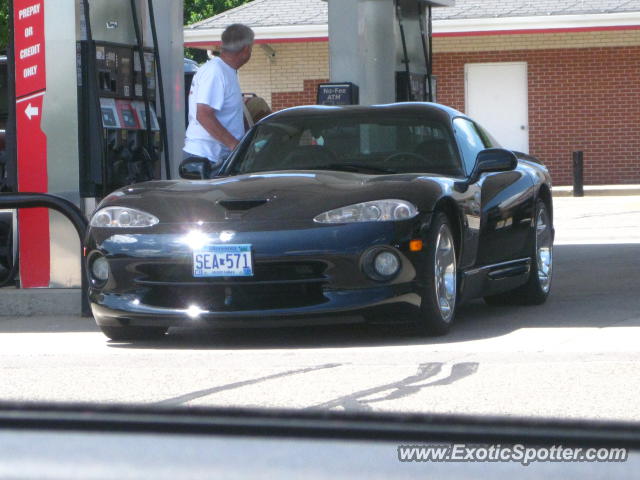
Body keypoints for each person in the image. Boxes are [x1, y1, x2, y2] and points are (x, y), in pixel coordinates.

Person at [183, 24, 254, 168]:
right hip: (206, 159)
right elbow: (204, 115)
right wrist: (235, 146)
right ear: (246, 49)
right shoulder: (216, 72)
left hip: (215, 159)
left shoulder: (225, 70)